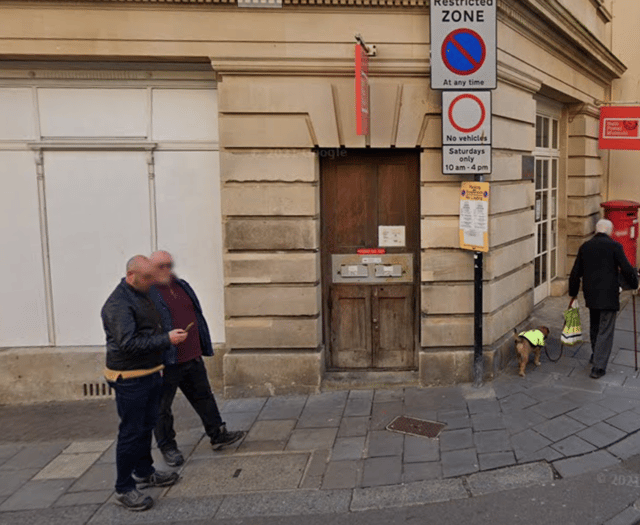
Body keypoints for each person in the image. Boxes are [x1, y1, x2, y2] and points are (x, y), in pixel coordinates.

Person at [101, 255, 188, 511]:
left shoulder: (140, 293)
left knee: (147, 425)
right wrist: (166, 340)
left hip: (149, 372)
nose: (153, 282)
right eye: (148, 277)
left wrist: (157, 364)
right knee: (131, 432)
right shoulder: (118, 304)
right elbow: (128, 344)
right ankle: (124, 487)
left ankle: (144, 471)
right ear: (131, 276)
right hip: (129, 378)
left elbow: (147, 331)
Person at [148, 250, 245, 467]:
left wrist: (201, 343)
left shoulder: (181, 285)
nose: (166, 269)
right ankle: (168, 447)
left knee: (204, 397)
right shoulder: (147, 294)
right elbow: (146, 330)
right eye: (160, 266)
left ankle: (218, 434)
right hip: (167, 359)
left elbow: (196, 314)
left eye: (168, 264)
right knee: (162, 407)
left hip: (191, 354)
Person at [569, 219, 639, 379]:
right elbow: (627, 268)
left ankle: (595, 354)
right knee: (605, 330)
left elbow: (575, 272)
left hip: (591, 294)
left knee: (595, 325)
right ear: (610, 231)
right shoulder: (615, 246)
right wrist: (634, 283)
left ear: (596, 230)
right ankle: (598, 367)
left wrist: (573, 292)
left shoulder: (585, 246)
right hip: (609, 295)